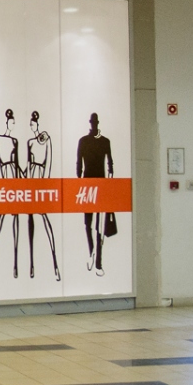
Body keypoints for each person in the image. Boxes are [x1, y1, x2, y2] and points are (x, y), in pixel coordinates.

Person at [76, 112, 114, 276]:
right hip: (89, 185)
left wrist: (109, 185)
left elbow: (110, 164)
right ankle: (92, 253)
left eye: (95, 123)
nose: (94, 125)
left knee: (98, 225)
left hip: (99, 185)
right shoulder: (84, 141)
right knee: (89, 223)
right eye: (93, 122)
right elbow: (79, 165)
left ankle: (97, 261)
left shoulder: (105, 141)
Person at [0, 108, 22, 282]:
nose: (12, 124)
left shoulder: (15, 141)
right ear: (7, 122)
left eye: (14, 122)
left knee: (16, 220)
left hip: (14, 181)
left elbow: (17, 164)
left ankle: (15, 263)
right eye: (11, 121)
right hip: (4, 183)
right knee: (0, 220)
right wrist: (1, 184)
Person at [25, 111, 60, 281]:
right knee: (30, 219)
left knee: (45, 219)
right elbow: (27, 164)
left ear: (37, 123)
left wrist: (44, 185)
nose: (32, 126)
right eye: (30, 124)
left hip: (40, 181)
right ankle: (31, 263)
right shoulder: (30, 142)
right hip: (31, 180)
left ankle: (55, 262)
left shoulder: (46, 140)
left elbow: (48, 162)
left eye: (33, 123)